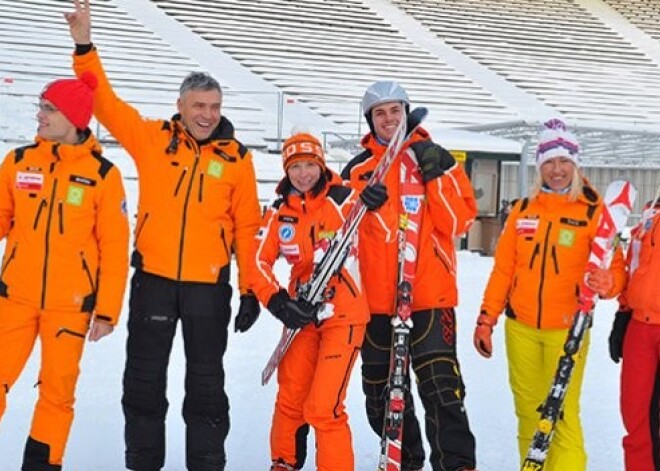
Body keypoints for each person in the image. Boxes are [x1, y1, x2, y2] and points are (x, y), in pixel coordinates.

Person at [64, 1, 261, 469]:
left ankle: (207, 463)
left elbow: (247, 228)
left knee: (207, 386)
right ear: (180, 106)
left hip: (207, 290)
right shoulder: (153, 139)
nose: (207, 115)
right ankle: (143, 462)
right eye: (199, 106)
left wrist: (251, 289)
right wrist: (84, 45)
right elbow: (104, 103)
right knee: (144, 382)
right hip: (153, 282)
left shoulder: (238, 160)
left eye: (214, 107)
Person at [473, 119, 626, 470]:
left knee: (562, 414)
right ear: (540, 166)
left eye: (564, 162)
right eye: (549, 162)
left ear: (576, 164)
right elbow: (503, 270)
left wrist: (608, 282)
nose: (557, 170)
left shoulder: (593, 211)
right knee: (528, 411)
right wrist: (486, 319)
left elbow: (616, 271)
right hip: (520, 327)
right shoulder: (524, 210)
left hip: (566, 330)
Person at [341, 80, 478, 471]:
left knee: (441, 390)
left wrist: (434, 174)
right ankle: (406, 461)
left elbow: (459, 222)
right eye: (379, 113)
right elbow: (337, 238)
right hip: (377, 303)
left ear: (406, 112)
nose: (388, 119)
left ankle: (456, 465)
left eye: (394, 111)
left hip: (428, 297)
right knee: (381, 396)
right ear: (370, 121)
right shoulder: (357, 170)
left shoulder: (435, 156)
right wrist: (360, 205)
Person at [0, 72, 129, 470]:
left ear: (73, 118)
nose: (39, 115)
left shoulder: (103, 176)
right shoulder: (18, 162)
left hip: (69, 307)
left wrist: (106, 311)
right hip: (14, 297)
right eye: (41, 106)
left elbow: (115, 247)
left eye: (48, 108)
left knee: (56, 394)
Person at [251, 132, 386, 471]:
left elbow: (379, 224)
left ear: (322, 165)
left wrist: (378, 201)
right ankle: (284, 461)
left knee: (324, 408)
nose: (304, 173)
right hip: (301, 313)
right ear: (286, 170)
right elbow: (256, 262)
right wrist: (279, 302)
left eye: (311, 165)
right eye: (296, 166)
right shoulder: (280, 213)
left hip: (344, 314)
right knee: (290, 399)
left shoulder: (344, 199)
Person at [608, 196, 660, 470]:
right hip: (640, 327)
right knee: (635, 415)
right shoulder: (651, 213)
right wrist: (623, 313)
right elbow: (635, 265)